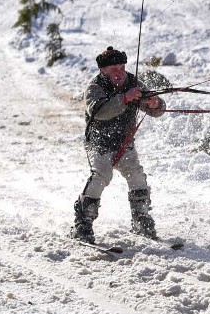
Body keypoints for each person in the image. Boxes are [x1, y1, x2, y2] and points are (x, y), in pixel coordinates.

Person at [71, 46, 167, 243]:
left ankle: (141, 219)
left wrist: (155, 103)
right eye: (114, 69)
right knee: (101, 176)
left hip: (124, 144)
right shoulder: (94, 87)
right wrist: (124, 98)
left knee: (137, 176)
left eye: (122, 67)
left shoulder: (132, 82)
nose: (120, 73)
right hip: (99, 144)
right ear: (102, 70)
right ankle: (83, 224)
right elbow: (99, 112)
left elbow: (158, 109)